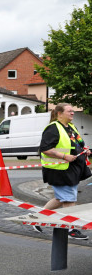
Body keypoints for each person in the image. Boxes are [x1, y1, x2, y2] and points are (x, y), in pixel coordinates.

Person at [37, 103, 91, 240]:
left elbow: (76, 144)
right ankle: (71, 229)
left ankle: (37, 218)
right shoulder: (53, 128)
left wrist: (85, 150)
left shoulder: (71, 127)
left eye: (73, 111)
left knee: (61, 198)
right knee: (69, 198)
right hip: (59, 170)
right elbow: (44, 148)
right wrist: (63, 156)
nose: (72, 113)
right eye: (69, 111)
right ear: (59, 113)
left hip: (71, 169)